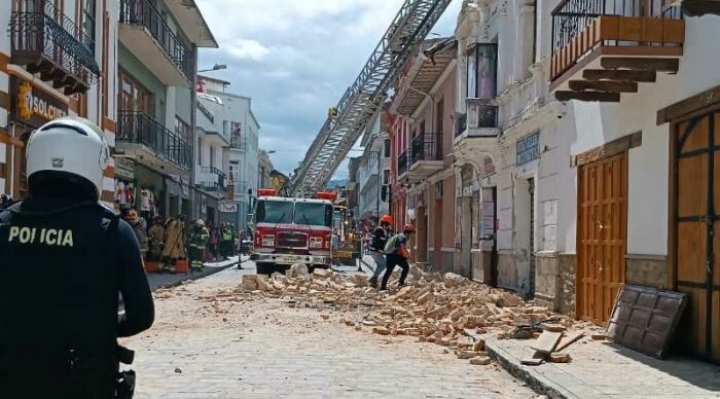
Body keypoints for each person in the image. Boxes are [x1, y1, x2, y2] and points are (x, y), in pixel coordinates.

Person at [0, 116, 154, 398]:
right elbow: (142, 315)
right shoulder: (113, 232)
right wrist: (101, 328)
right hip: (83, 377)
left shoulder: (4, 223)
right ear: (92, 163)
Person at [380, 223, 415, 291]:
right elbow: (402, 247)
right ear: (408, 233)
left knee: (388, 271)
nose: (411, 235)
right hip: (396, 256)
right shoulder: (403, 237)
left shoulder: (399, 235)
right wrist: (407, 256)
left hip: (389, 255)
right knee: (406, 267)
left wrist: (406, 255)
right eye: (411, 233)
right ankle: (401, 283)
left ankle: (383, 287)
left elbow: (402, 248)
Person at [368, 214, 393, 288]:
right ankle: (373, 278)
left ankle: (374, 281)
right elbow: (379, 241)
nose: (389, 226)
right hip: (375, 251)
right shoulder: (380, 230)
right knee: (383, 264)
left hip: (375, 250)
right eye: (389, 224)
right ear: (385, 223)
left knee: (380, 265)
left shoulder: (380, 229)